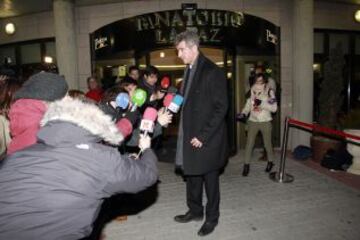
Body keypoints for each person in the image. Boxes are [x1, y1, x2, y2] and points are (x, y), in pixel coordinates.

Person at [0, 96, 158, 240]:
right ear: (97, 123)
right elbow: (146, 175)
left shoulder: (16, 157)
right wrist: (146, 149)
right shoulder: (100, 158)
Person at [173, 30, 228, 237]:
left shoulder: (212, 71)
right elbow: (184, 98)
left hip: (207, 138)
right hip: (189, 133)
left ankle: (212, 218)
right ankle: (195, 211)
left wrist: (203, 136)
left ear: (194, 47)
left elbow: (221, 107)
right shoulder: (189, 69)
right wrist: (170, 103)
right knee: (192, 175)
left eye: (181, 50)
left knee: (210, 181)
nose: (179, 55)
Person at [7, 72, 68, 155]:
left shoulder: (22, 115)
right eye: (65, 96)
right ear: (52, 98)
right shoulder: (45, 131)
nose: (69, 101)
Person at [237, 73, 277, 176]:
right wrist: (243, 113)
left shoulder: (269, 91)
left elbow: (274, 108)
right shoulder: (252, 90)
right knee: (249, 144)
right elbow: (248, 105)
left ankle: (270, 162)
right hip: (253, 121)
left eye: (261, 81)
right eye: (257, 81)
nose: (258, 83)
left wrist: (262, 104)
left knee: (267, 144)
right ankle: (246, 166)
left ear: (265, 81)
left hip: (265, 121)